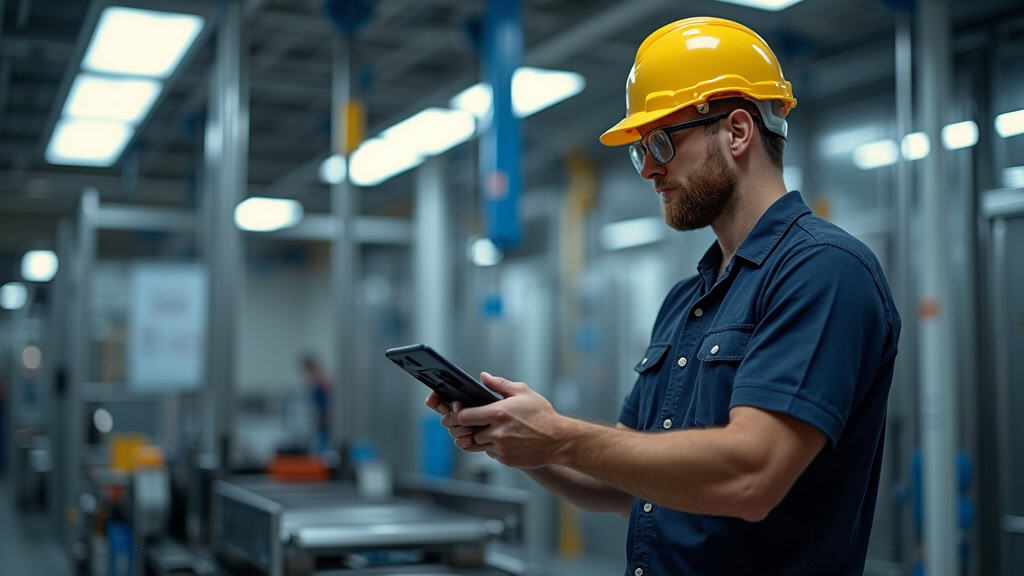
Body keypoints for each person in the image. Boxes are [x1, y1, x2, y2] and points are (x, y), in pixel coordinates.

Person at [426, 16, 901, 575]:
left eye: (660, 143)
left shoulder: (823, 270)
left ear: (738, 131)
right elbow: (625, 484)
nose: (649, 170)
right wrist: (522, 438)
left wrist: (559, 435)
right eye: (640, 151)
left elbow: (752, 475)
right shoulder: (687, 300)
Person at [300, 353, 332, 455]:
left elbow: (327, 401)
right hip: (318, 416)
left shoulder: (321, 381)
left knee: (323, 443)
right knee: (319, 442)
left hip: (323, 416)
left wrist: (326, 416)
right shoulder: (314, 382)